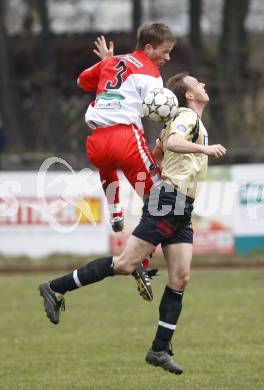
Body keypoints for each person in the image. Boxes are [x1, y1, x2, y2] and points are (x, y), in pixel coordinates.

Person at [39, 72, 226, 374]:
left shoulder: (182, 119)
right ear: (189, 95)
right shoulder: (187, 117)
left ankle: (159, 349)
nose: (203, 84)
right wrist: (204, 149)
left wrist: (160, 152)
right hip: (170, 202)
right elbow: (176, 141)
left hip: (181, 206)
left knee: (180, 277)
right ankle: (54, 287)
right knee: (126, 263)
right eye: (197, 83)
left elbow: (161, 153)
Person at [77, 23, 176, 301]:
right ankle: (140, 262)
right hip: (126, 138)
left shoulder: (112, 62)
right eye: (164, 52)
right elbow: (157, 109)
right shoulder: (151, 73)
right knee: (160, 203)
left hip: (96, 141)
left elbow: (82, 81)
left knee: (108, 167)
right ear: (148, 47)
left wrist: (106, 64)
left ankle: (115, 211)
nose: (167, 58)